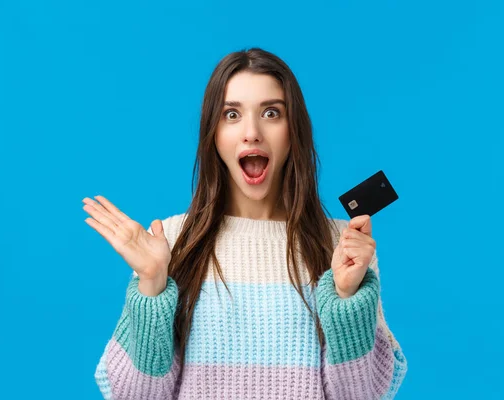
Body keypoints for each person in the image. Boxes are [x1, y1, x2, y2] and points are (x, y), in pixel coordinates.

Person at [84, 47, 407, 400]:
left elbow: (365, 396)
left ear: (293, 131)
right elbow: (132, 397)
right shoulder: (171, 242)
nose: (251, 132)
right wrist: (152, 285)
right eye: (232, 114)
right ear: (214, 135)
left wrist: (346, 298)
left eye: (271, 113)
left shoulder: (342, 246)